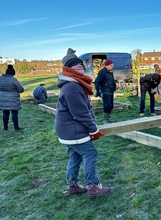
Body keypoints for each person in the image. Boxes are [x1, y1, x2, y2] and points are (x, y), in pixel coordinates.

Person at [55, 48, 110, 196]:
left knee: (75, 156)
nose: (80, 66)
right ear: (67, 70)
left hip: (66, 129)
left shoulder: (74, 84)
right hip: (72, 130)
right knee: (90, 154)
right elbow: (81, 113)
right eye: (75, 65)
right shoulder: (72, 87)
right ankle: (93, 185)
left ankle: (73, 186)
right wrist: (94, 130)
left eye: (81, 64)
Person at [0, 64, 25, 131]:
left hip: (3, 99)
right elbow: (21, 89)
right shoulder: (14, 80)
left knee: (5, 113)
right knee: (14, 114)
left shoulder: (0, 79)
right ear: (13, 73)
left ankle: (5, 128)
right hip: (13, 99)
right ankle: (16, 127)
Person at [94, 59, 116, 124]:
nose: (113, 66)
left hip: (111, 90)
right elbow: (97, 81)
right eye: (111, 65)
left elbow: (111, 80)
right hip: (105, 91)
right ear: (107, 65)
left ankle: (108, 118)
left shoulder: (110, 72)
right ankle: (105, 120)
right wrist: (98, 90)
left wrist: (114, 86)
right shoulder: (102, 72)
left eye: (113, 65)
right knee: (107, 105)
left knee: (111, 106)